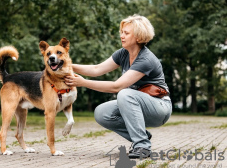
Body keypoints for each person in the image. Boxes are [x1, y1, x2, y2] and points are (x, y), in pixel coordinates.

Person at [65, 14, 172, 159]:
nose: (122, 36)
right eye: (121, 32)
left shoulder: (145, 59)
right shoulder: (123, 54)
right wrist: (67, 65)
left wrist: (82, 83)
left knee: (124, 93)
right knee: (102, 113)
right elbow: (97, 69)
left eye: (126, 33)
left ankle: (142, 146)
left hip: (160, 107)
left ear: (139, 37)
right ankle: (141, 135)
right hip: (137, 103)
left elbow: (116, 87)